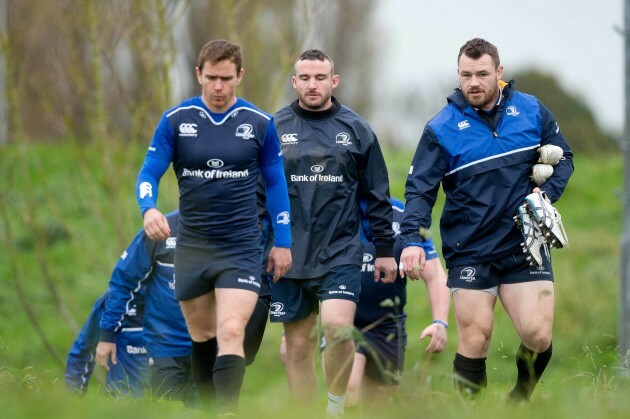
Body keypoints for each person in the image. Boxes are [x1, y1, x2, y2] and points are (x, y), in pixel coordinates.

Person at [399, 38, 574, 401]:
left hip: (524, 245)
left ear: (499, 72)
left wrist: (546, 193)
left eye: (482, 74)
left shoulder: (531, 111)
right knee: (475, 337)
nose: (473, 82)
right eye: (466, 75)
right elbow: (419, 191)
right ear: (458, 75)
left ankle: (517, 401)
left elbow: (565, 158)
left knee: (538, 337)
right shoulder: (441, 128)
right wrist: (411, 241)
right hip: (471, 249)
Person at [135, 39, 292, 416]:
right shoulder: (176, 121)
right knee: (202, 337)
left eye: (226, 78)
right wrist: (148, 208)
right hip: (193, 245)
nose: (218, 87)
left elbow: (276, 186)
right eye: (211, 78)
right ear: (198, 75)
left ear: (239, 76)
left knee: (231, 331)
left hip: (241, 246)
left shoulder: (259, 124)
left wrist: (282, 241)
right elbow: (148, 172)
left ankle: (227, 412)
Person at [270, 49, 397, 417]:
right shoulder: (274, 128)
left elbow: (377, 194)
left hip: (340, 251)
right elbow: (258, 193)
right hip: (288, 252)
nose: (313, 85)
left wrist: (385, 249)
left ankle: (336, 407)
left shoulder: (357, 130)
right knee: (296, 346)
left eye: (320, 78)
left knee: (339, 328)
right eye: (305, 78)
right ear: (294, 82)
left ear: (333, 81)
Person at [279, 197, 451, 412]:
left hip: (388, 327)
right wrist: (290, 334)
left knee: (380, 409)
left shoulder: (403, 215)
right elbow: (305, 271)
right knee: (348, 388)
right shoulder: (332, 210)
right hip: (343, 323)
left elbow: (434, 275)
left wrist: (440, 322)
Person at [93, 210, 273, 407]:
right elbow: (124, 280)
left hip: (211, 349)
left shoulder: (232, 232)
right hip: (165, 348)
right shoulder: (161, 229)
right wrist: (108, 334)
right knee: (164, 411)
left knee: (209, 412)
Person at [66, 290, 147, 397]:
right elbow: (82, 352)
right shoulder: (112, 300)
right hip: (121, 406)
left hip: (169, 406)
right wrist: (74, 402)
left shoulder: (173, 299)